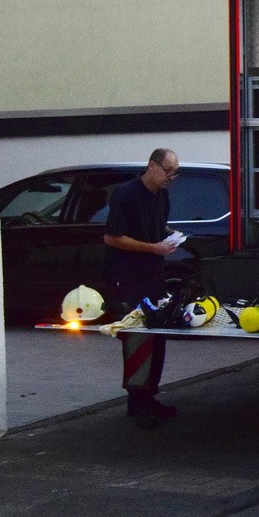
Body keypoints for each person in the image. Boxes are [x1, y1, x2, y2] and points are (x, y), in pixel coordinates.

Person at [103, 148, 183, 430]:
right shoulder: (126, 194)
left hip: (153, 278)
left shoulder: (161, 195)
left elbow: (156, 226)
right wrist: (154, 247)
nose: (171, 177)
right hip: (129, 278)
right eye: (168, 171)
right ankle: (137, 404)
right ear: (152, 166)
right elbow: (112, 237)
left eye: (175, 172)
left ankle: (149, 397)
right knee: (138, 338)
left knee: (157, 336)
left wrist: (170, 236)